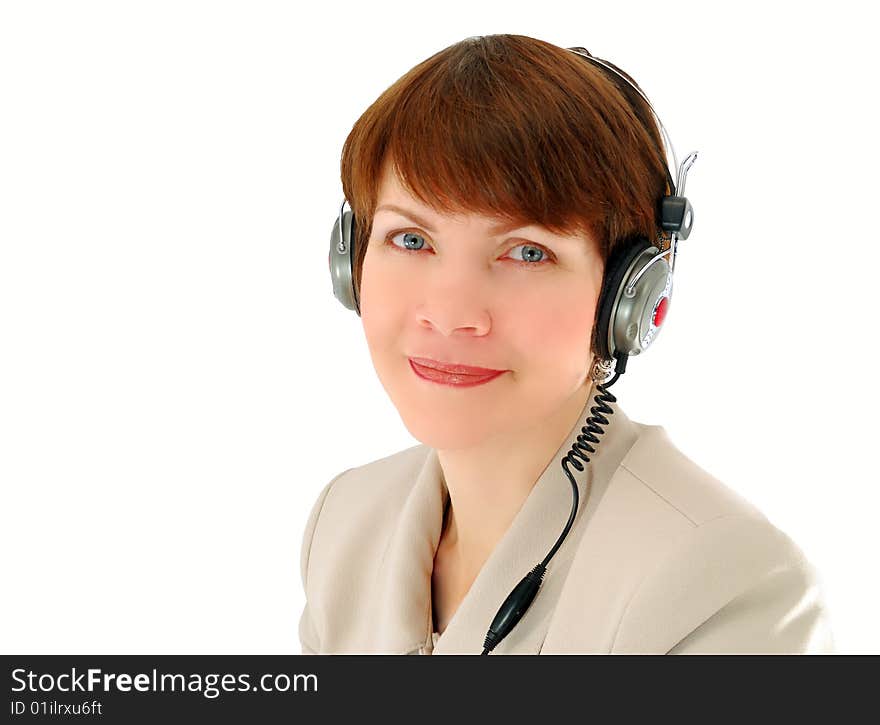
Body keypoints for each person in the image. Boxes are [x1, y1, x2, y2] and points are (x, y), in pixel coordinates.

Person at [298, 34, 835, 654]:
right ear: (351, 263)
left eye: (527, 252)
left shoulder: (720, 580)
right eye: (412, 240)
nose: (449, 315)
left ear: (626, 299)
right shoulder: (345, 525)